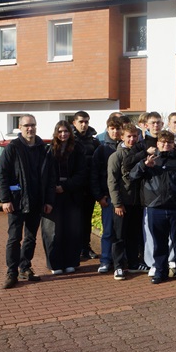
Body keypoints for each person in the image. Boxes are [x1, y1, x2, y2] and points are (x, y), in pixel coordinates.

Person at [130, 131, 176, 284]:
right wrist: (144, 165)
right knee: (158, 243)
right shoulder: (150, 160)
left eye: (169, 142)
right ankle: (161, 272)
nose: (166, 145)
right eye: (163, 142)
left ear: (173, 144)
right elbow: (132, 177)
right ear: (158, 144)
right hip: (155, 207)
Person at [0, 114, 56, 289]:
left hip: (37, 201)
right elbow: (2, 174)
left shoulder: (43, 149)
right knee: (14, 238)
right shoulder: (12, 148)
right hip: (16, 202)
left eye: (33, 125)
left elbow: (49, 177)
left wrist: (48, 200)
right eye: (26, 126)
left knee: (31, 238)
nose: (30, 128)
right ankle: (11, 272)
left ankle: (25, 267)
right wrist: (5, 199)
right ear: (20, 128)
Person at [41, 121, 88, 275]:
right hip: (53, 195)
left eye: (66, 131)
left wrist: (66, 186)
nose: (63, 134)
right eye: (60, 131)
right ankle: (55, 264)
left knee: (72, 230)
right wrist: (53, 187)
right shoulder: (49, 150)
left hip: (72, 194)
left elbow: (82, 173)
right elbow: (45, 173)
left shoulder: (77, 149)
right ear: (56, 133)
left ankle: (71, 262)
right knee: (53, 231)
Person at [107, 123, 145, 280]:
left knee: (133, 235)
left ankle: (133, 263)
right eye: (129, 136)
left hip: (137, 202)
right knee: (119, 235)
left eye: (135, 136)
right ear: (122, 137)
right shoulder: (116, 156)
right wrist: (117, 203)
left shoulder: (141, 153)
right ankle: (118, 266)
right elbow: (112, 181)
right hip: (123, 203)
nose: (132, 139)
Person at [91, 115, 123, 274]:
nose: (116, 131)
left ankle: (121, 259)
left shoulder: (128, 147)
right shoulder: (102, 149)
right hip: (108, 197)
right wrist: (99, 196)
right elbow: (94, 174)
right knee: (108, 231)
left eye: (118, 128)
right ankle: (105, 260)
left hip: (125, 198)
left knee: (122, 231)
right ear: (108, 129)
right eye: (112, 128)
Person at [71, 111, 101, 260]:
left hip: (88, 188)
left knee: (86, 220)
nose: (84, 125)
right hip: (73, 189)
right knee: (73, 220)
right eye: (81, 121)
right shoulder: (69, 139)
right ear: (74, 123)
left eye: (86, 122)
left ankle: (85, 247)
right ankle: (73, 249)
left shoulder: (94, 142)